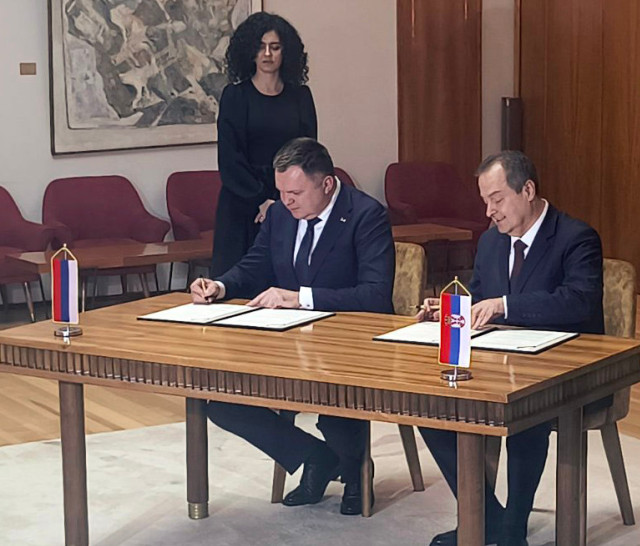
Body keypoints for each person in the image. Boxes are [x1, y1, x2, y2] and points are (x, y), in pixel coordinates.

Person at [191, 137, 395, 516]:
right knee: (223, 402)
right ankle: (315, 457)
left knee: (335, 400)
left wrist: (301, 297)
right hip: (286, 341)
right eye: (281, 191)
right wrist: (220, 286)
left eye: (296, 193)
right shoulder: (281, 215)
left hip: (349, 344)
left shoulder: (366, 215)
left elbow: (375, 295)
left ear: (327, 184)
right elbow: (256, 264)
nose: (286, 201)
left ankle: (356, 473)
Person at [418, 150, 604, 546]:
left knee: (525, 411)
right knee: (428, 405)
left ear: (528, 191)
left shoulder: (576, 237)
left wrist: (505, 306)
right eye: (485, 200)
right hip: (501, 363)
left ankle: (513, 527)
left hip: (565, 369)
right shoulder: (491, 242)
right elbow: (482, 298)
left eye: (497, 199)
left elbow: (578, 302)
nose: (489, 211)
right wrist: (451, 310)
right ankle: (487, 518)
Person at [212, 12, 317, 276]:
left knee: (286, 280)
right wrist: (260, 200)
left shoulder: (301, 96)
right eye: (260, 47)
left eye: (275, 47)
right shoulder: (235, 96)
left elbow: (308, 152)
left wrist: (279, 200)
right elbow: (230, 158)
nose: (267, 54)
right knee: (237, 282)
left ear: (286, 52)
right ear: (250, 51)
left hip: (290, 200)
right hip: (242, 201)